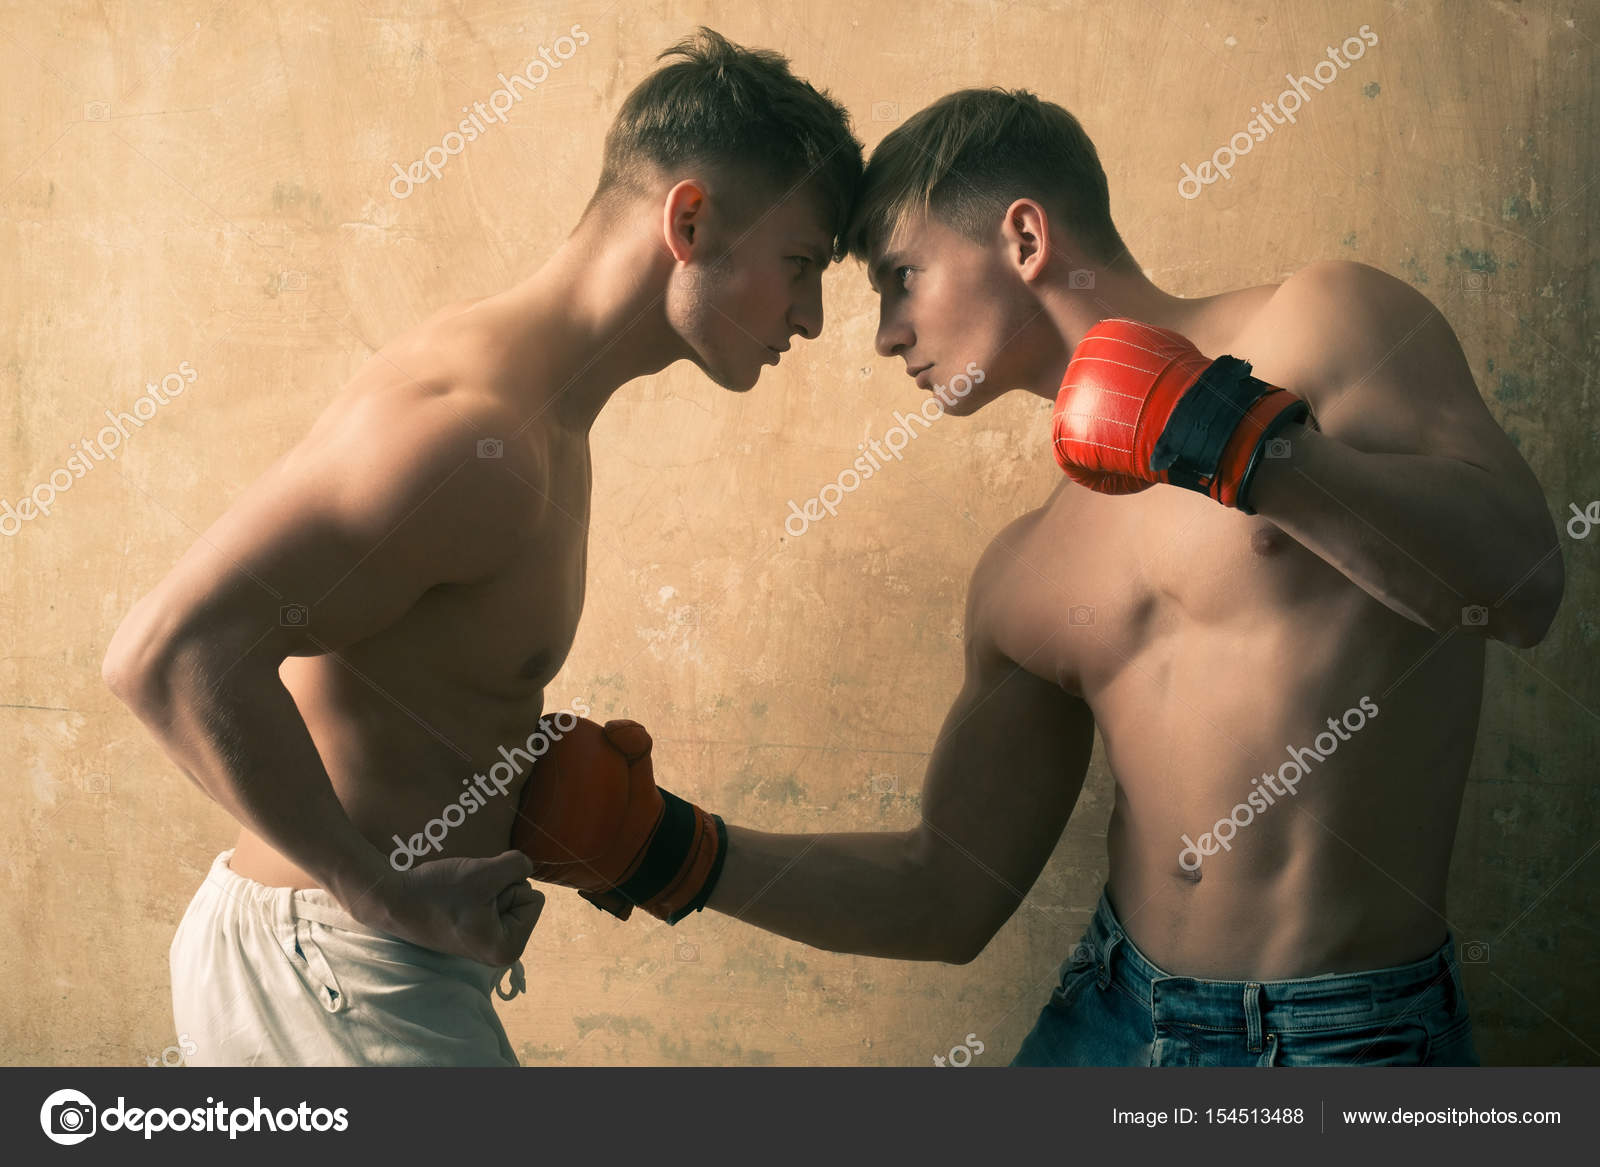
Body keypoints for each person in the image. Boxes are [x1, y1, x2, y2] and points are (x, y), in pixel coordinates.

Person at [533, 88, 1563, 1066]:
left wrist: (1246, 443)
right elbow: (942, 895)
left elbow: (1521, 587)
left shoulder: (1324, 325)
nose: (885, 334)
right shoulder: (1024, 574)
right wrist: (662, 846)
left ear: (1023, 240)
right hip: (1110, 1014)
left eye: (899, 278)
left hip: (1348, 1036)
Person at [100, 27, 862, 1066]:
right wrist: (377, 888)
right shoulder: (474, 432)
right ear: (689, 219)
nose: (812, 318)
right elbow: (166, 655)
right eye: (802, 266)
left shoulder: (546, 420)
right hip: (329, 968)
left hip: (363, 962)